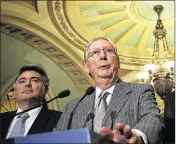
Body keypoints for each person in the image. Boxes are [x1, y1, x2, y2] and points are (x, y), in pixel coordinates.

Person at [54, 37, 164, 144]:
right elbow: (56, 138)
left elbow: (152, 119)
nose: (102, 56)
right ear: (87, 67)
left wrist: (136, 136)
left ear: (118, 62)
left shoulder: (141, 91)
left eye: (109, 51)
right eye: (95, 53)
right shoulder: (72, 107)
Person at [0, 64, 62, 139]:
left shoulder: (61, 119)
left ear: (45, 90)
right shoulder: (2, 119)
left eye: (34, 80)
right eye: (22, 81)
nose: (27, 84)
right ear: (14, 93)